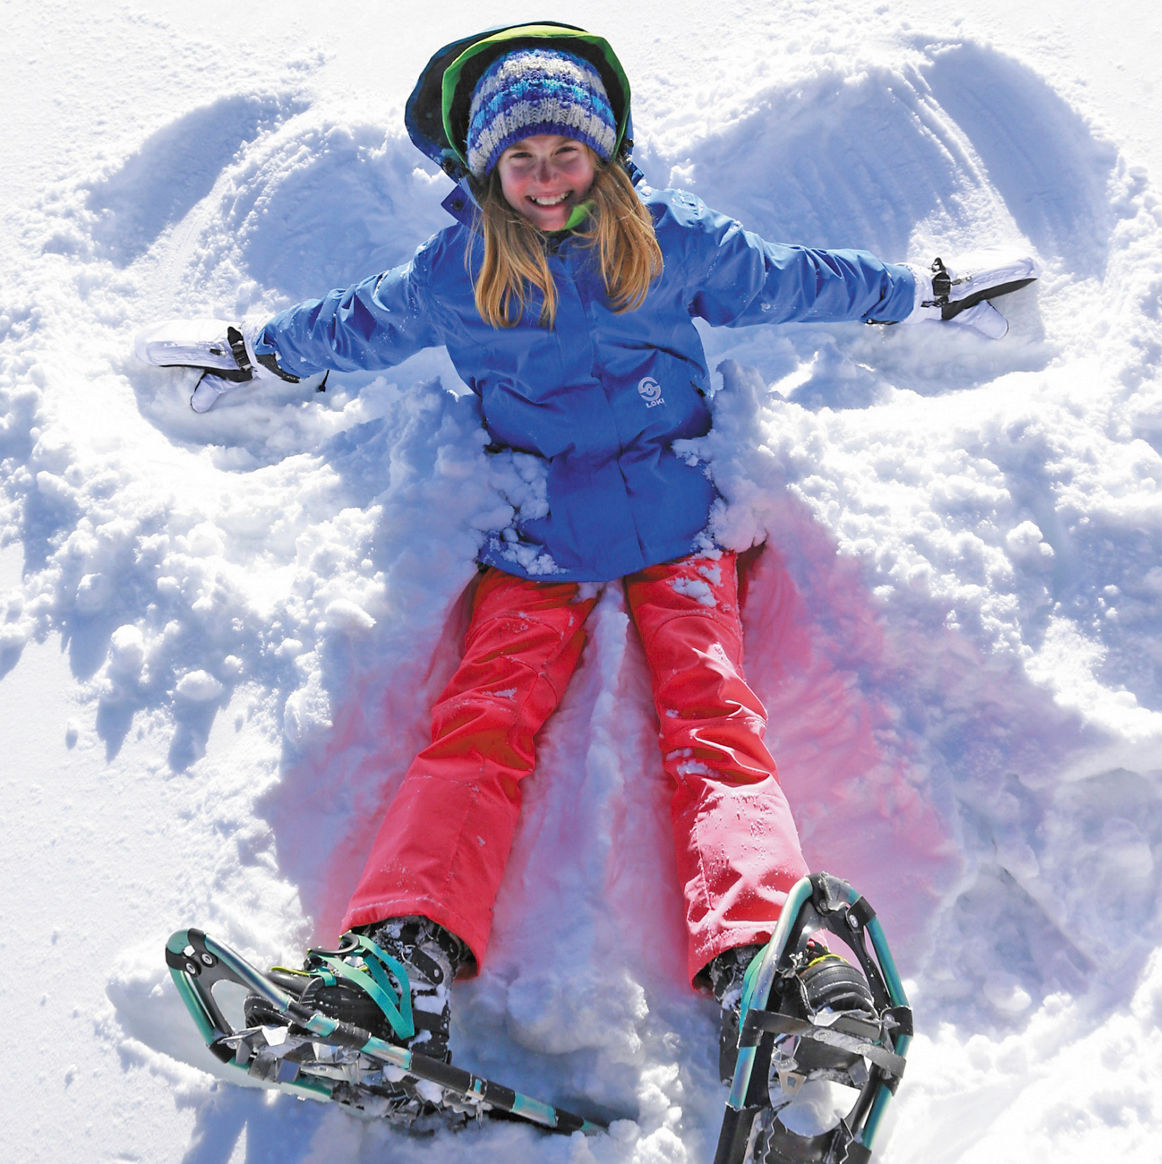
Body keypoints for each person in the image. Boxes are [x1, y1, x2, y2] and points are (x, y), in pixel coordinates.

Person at [138, 22, 1035, 1089]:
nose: (547, 177)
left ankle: (762, 966)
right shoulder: (459, 270)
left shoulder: (668, 239)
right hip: (540, 537)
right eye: (521, 158)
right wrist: (258, 356)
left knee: (715, 724)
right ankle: (397, 963)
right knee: (481, 724)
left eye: (566, 152)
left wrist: (915, 291)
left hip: (680, 528)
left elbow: (795, 278)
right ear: (485, 171)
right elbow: (353, 324)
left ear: (604, 155)